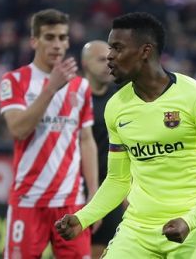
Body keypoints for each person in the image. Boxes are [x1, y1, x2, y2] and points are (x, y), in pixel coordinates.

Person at [55, 12, 196, 258]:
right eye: (110, 49)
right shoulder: (116, 107)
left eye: (117, 48)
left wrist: (190, 221)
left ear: (145, 51)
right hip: (137, 230)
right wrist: (82, 218)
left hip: (193, 227)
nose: (109, 56)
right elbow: (118, 180)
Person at [0, 9, 98, 259]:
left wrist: (94, 197)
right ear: (34, 41)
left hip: (71, 201)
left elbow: (86, 140)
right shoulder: (15, 81)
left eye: (62, 38)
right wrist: (51, 88)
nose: (57, 44)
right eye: (50, 37)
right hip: (29, 199)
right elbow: (19, 129)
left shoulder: (81, 86)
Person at [81, 40, 125, 258]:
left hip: (112, 188)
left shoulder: (121, 97)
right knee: (73, 250)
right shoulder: (74, 96)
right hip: (76, 188)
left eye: (110, 59)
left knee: (103, 251)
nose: (108, 64)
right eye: (101, 59)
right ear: (85, 63)